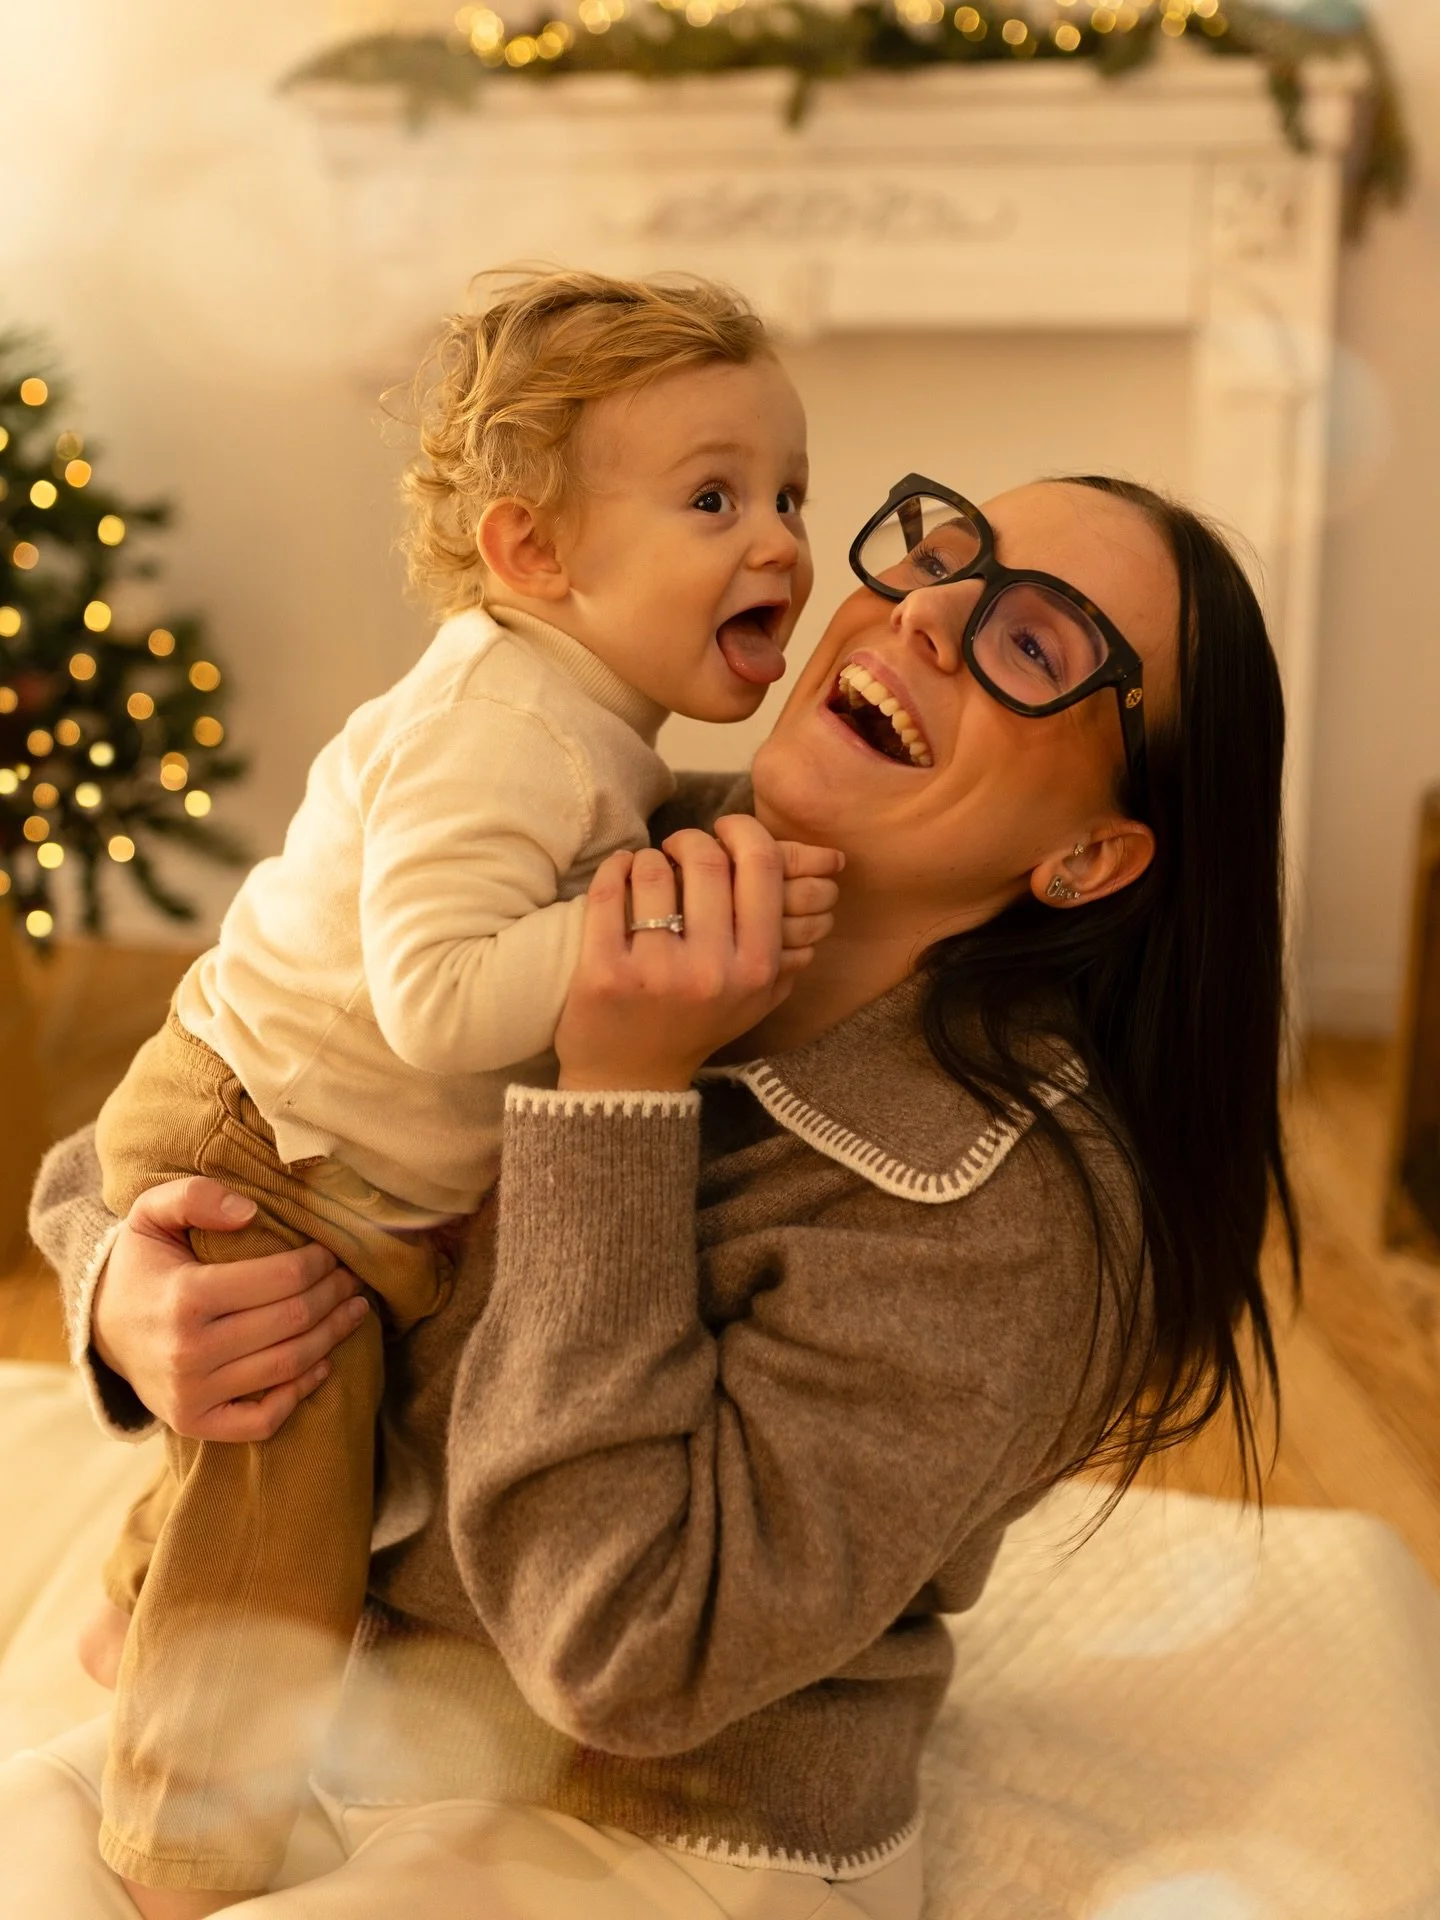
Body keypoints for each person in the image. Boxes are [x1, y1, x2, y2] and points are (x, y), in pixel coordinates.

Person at [11, 471, 1297, 1920]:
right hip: (321, 1711)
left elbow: (628, 1653)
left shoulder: (1016, 1212)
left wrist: (613, 1097)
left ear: (1088, 856)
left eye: (1034, 644)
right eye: (939, 556)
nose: (928, 614)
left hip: (667, 1826)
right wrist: (126, 1289)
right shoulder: (596, 837)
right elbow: (215, 1094)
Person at [75, 267, 839, 1914]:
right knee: (283, 1507)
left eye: (789, 493)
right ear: (533, 553)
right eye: (713, 499)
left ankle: (134, 1603)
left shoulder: (588, 719)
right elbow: (434, 1000)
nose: (780, 541)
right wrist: (645, 924)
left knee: (319, 1455)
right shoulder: (504, 730)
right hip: (266, 1142)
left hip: (334, 1150)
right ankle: (175, 1848)